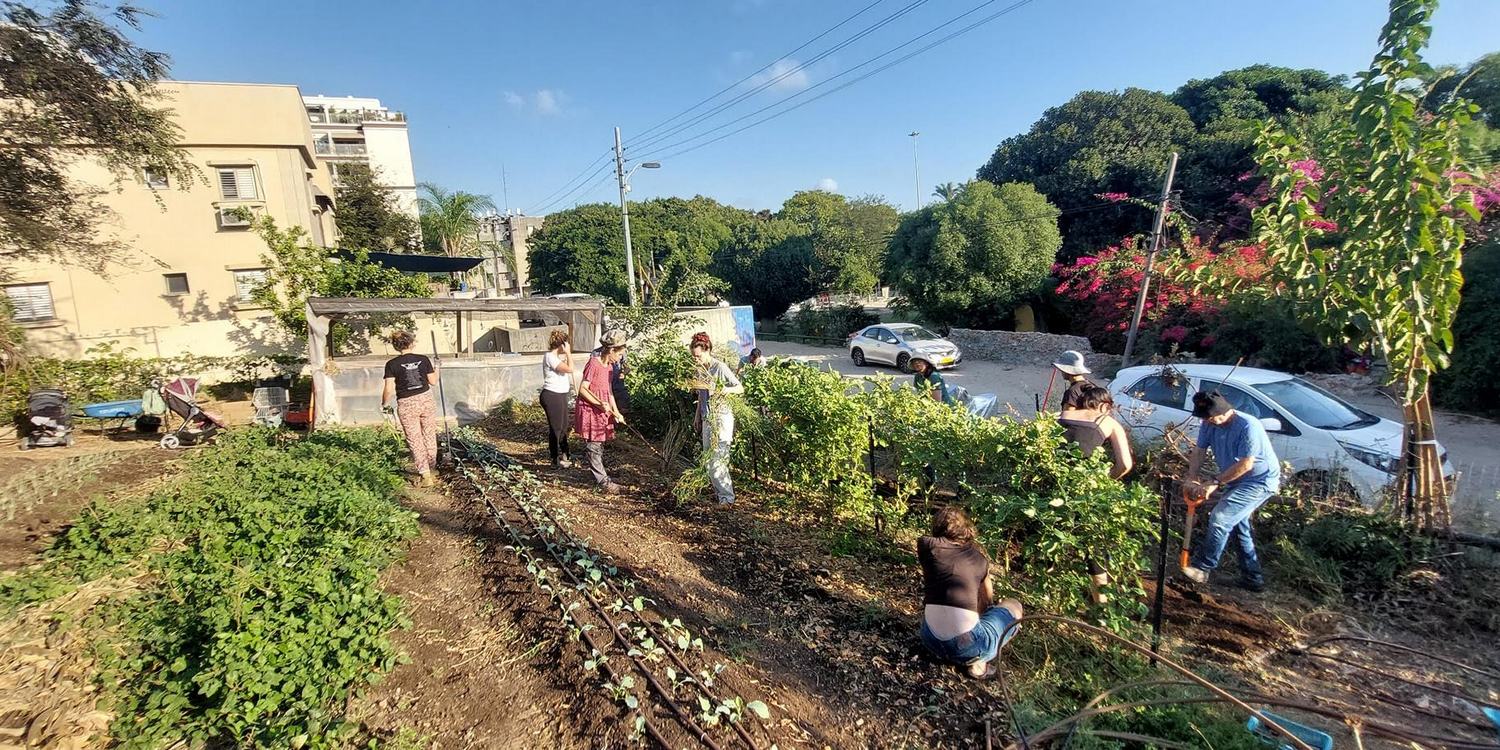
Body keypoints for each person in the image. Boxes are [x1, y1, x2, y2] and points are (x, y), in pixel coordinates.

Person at [1181, 391, 1280, 592]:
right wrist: (1192, 476)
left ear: (1224, 411)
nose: (1209, 421)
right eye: (1205, 418)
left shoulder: (1248, 425)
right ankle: (1252, 578)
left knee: (1221, 517)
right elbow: (1199, 451)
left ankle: (1202, 568)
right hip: (1237, 480)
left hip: (1259, 481)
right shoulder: (1208, 423)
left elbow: (1246, 464)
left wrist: (1215, 482)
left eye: (1211, 417)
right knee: (1237, 525)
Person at [917, 507, 1024, 679]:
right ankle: (979, 663)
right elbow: (987, 602)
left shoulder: (926, 546)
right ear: (967, 531)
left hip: (930, 639)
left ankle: (957, 652)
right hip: (968, 646)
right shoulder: (979, 561)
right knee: (1014, 605)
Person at [689, 332, 744, 504]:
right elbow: (701, 396)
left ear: (708, 350)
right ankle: (720, 494)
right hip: (707, 418)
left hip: (721, 419)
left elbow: (739, 388)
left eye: (698, 356)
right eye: (694, 357)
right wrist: (697, 417)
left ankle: (727, 499)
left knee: (717, 461)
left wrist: (723, 390)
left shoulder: (719, 367)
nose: (696, 360)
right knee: (708, 460)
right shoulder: (699, 370)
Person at [381, 330, 439, 487]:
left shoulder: (391, 364)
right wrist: (437, 368)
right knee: (429, 434)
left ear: (395, 346)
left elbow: (389, 389)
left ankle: (426, 475)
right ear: (411, 343)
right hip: (426, 400)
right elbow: (433, 381)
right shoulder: (423, 359)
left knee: (414, 439)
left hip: (407, 404)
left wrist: (384, 404)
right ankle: (431, 467)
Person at [577, 331, 628, 494]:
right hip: (591, 410)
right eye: (619, 354)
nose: (620, 358)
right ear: (611, 350)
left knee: (600, 444)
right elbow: (582, 389)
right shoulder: (593, 364)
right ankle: (603, 482)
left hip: (603, 410)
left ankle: (601, 476)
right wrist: (599, 403)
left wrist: (616, 412)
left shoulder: (610, 367)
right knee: (593, 446)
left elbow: (609, 391)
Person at [1058, 383, 1133, 479]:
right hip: (1081, 479)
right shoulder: (1110, 422)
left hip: (1051, 473)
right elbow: (1125, 465)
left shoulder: (1061, 415)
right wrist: (1105, 480)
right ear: (1104, 406)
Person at [540, 329, 575, 468]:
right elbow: (570, 369)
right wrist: (569, 353)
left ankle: (566, 454)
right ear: (561, 344)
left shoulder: (556, 358)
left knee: (564, 426)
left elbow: (566, 367)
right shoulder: (549, 357)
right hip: (551, 395)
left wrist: (566, 356)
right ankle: (554, 459)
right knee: (556, 428)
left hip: (560, 394)